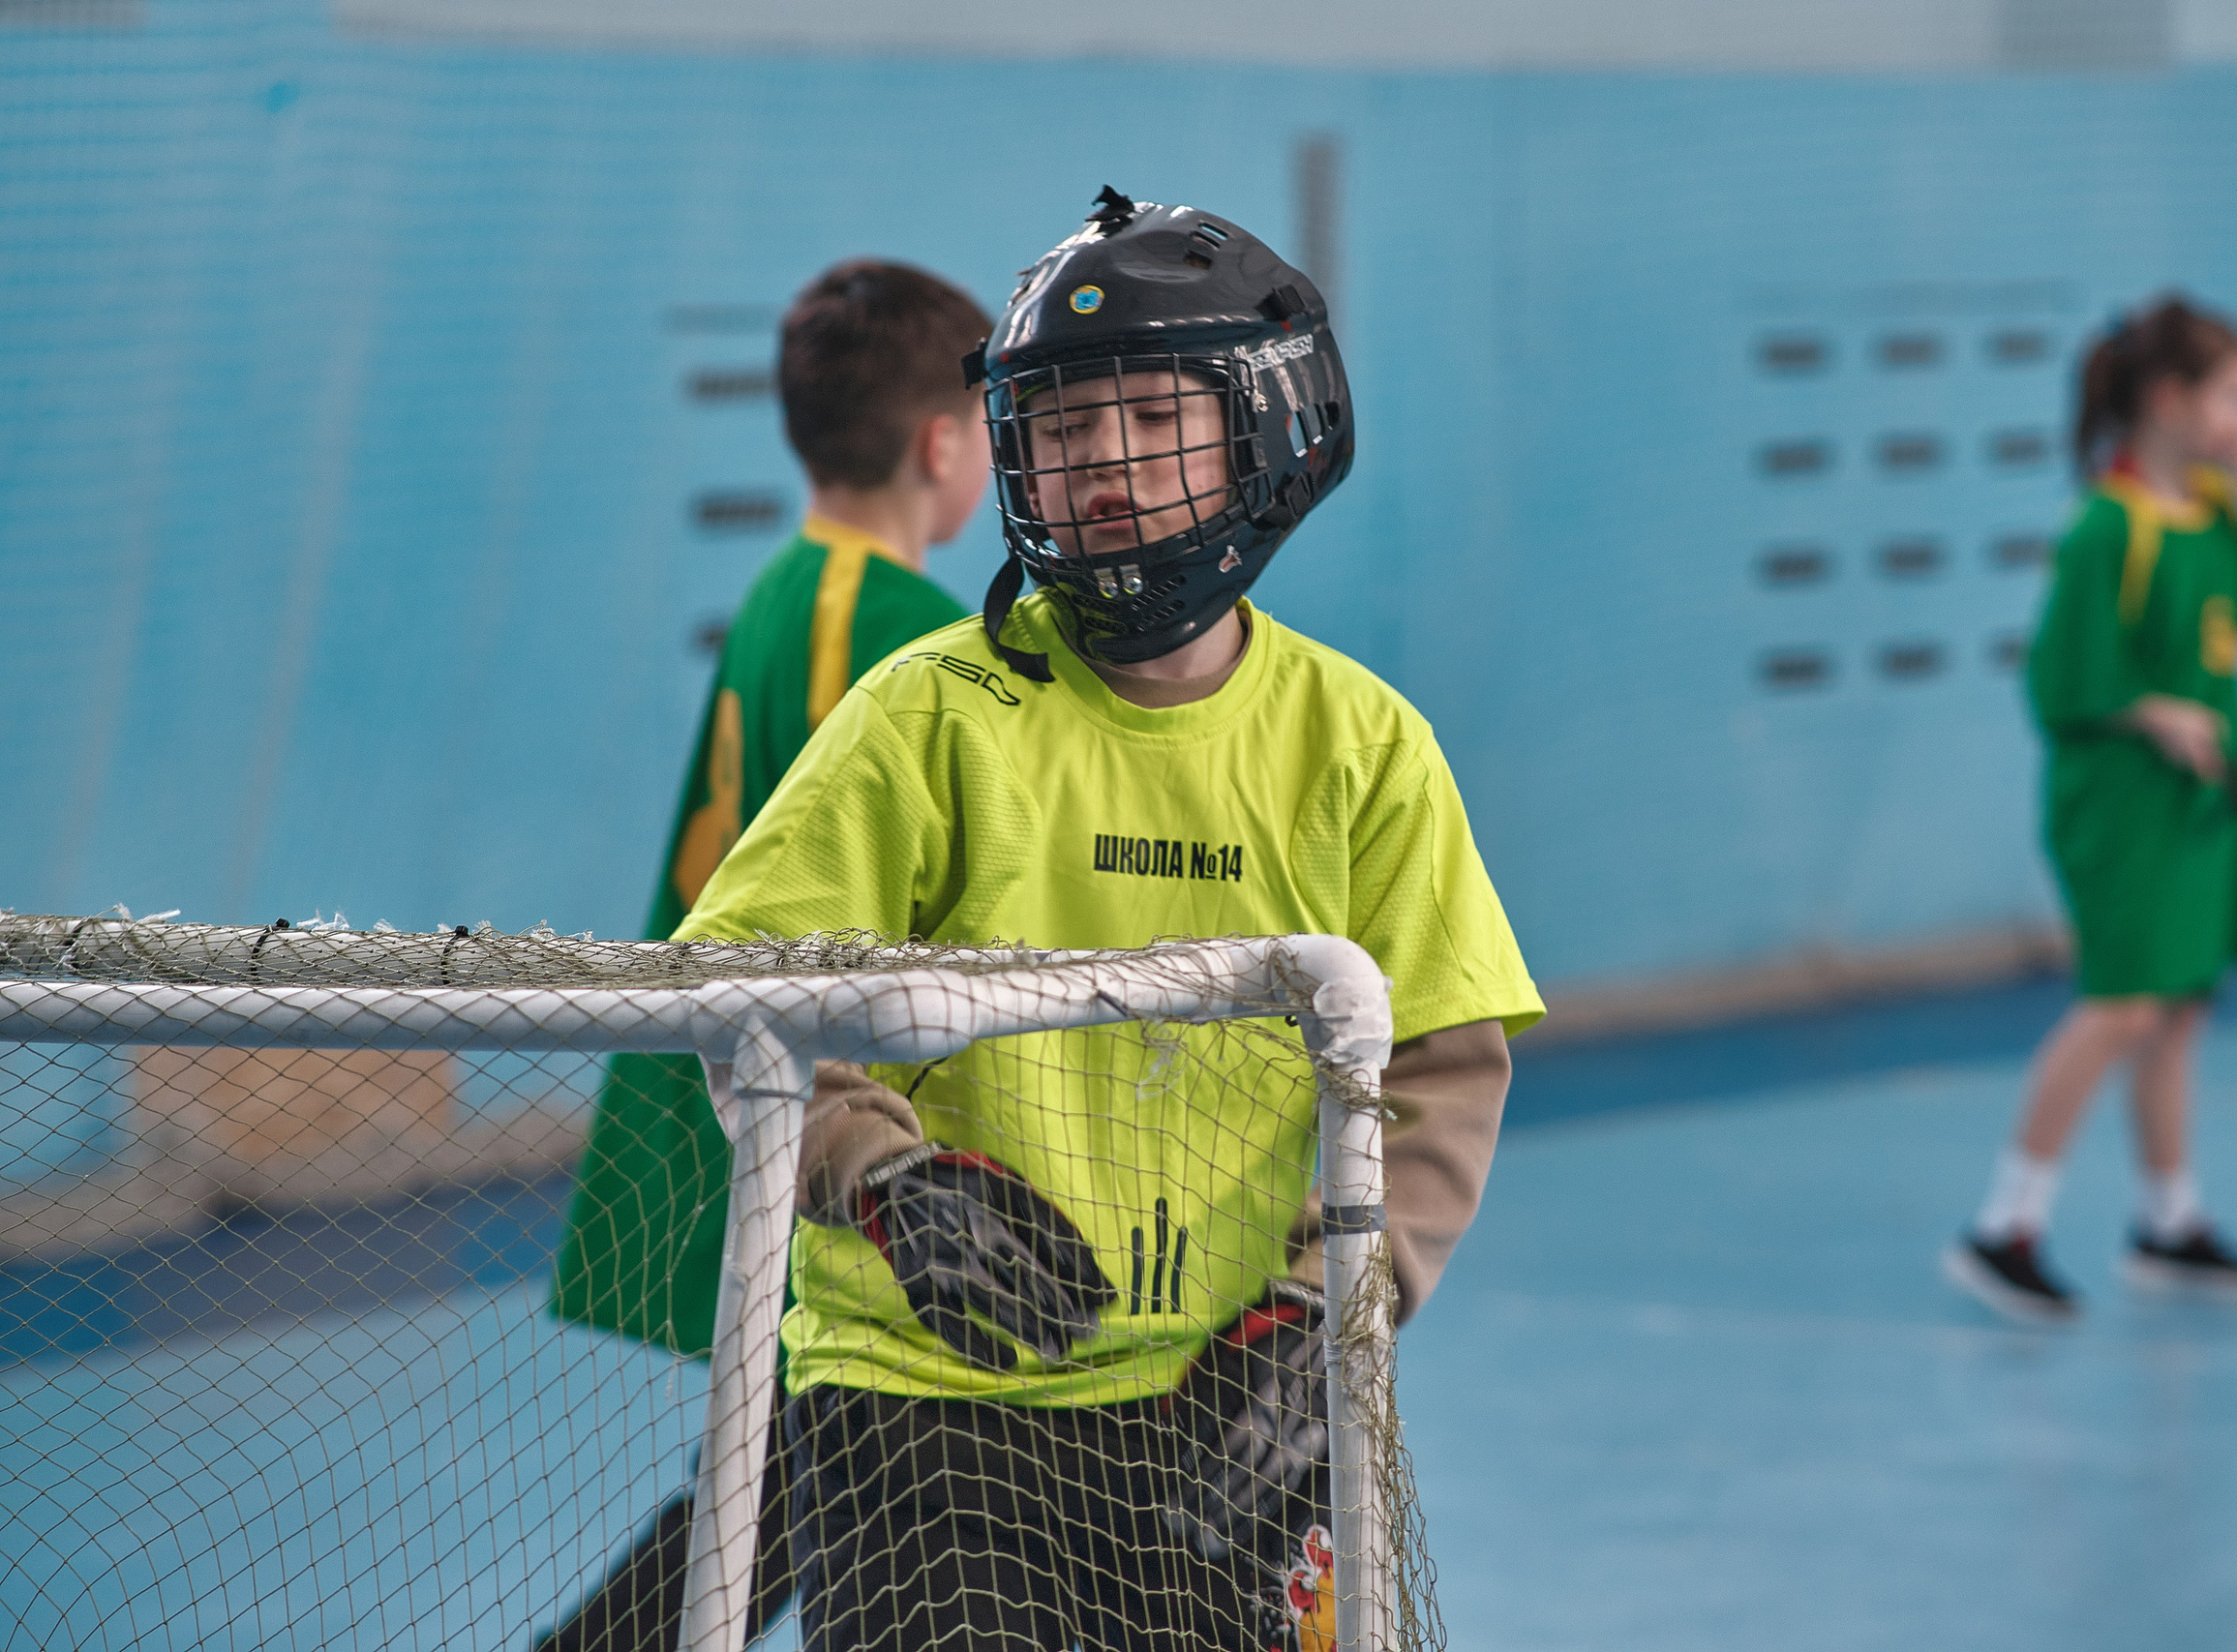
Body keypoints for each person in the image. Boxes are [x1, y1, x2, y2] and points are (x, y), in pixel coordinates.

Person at [676, 188, 1542, 1651]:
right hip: (925, 1395)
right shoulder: (931, 713)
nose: (1103, 468)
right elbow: (738, 990)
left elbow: (1441, 1067)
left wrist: (1326, 1309)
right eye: (1064, 430)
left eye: (1151, 419)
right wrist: (881, 1174)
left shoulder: (1362, 744)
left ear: (1266, 430)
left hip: (1225, 1408)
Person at [539, 259, 991, 1651]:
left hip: (775, 1102)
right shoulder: (903, 632)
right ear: (941, 444)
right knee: (802, 1485)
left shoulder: (783, 592)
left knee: (774, 1486)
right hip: (825, 1118)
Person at [1943, 294, 2237, 1327]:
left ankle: (2168, 1221)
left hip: (2203, 803)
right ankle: (2005, 1227)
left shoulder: (2218, 510)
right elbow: (2057, 681)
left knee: (2179, 1007)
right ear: (2169, 399)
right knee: (2123, 1005)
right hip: (2123, 801)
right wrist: (2156, 712)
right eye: (2232, 396)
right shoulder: (2108, 526)